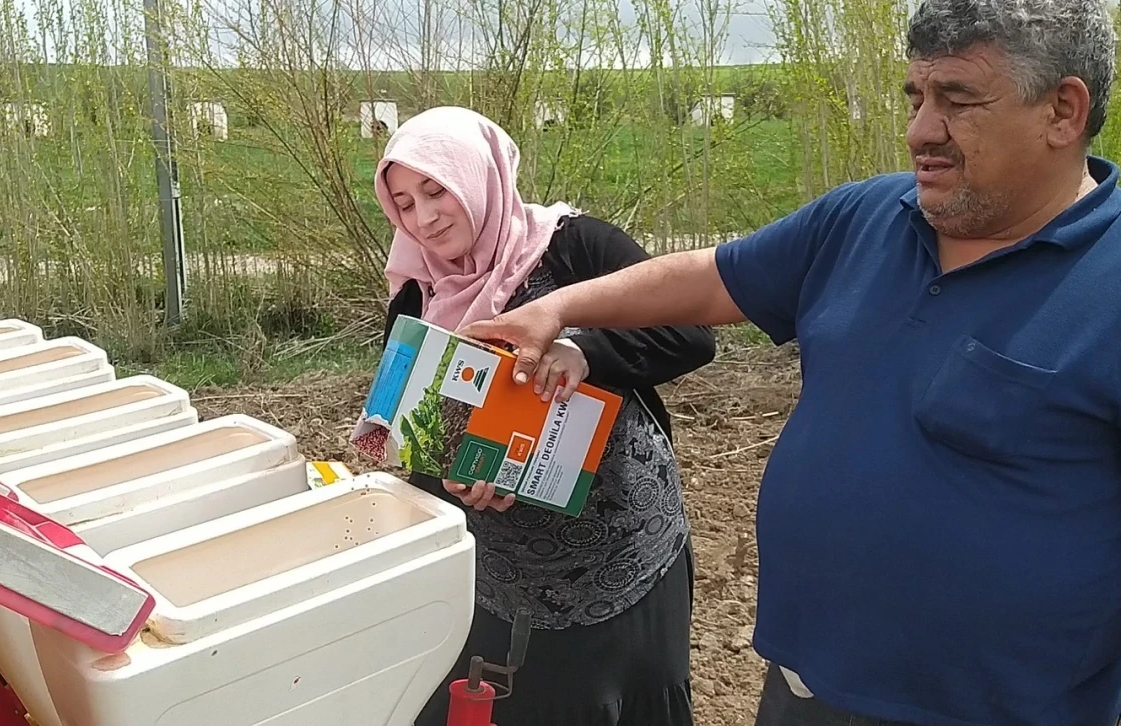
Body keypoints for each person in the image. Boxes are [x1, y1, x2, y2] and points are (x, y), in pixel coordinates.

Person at [459, 0, 1121, 724]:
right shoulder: (865, 218)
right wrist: (559, 310)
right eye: (917, 98)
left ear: (1062, 110)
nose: (921, 131)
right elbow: (712, 277)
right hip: (806, 689)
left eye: (958, 100)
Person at [372, 105, 717, 726]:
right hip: (497, 573)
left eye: (435, 190)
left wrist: (583, 350)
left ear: (478, 175)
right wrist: (453, 480)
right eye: (404, 203)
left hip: (623, 548)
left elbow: (689, 332)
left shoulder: (572, 248)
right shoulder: (417, 295)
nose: (424, 218)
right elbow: (417, 428)